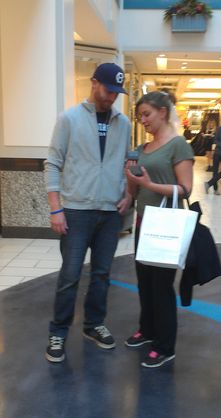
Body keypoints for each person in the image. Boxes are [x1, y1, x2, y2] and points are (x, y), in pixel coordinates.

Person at [44, 62, 132, 363]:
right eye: (108, 90)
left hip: (110, 213)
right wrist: (56, 208)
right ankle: (58, 331)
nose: (111, 97)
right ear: (94, 83)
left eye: (116, 93)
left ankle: (94, 325)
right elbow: (53, 162)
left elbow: (126, 164)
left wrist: (127, 196)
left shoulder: (125, 123)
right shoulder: (69, 119)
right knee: (70, 275)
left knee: (102, 274)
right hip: (76, 211)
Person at [124, 91, 194, 368]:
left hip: (166, 225)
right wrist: (130, 178)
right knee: (144, 282)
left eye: (147, 114)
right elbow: (133, 188)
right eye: (140, 116)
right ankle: (148, 329)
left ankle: (165, 345)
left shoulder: (178, 146)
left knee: (161, 286)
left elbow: (185, 188)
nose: (143, 120)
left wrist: (150, 185)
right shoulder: (142, 149)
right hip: (144, 223)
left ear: (163, 112)